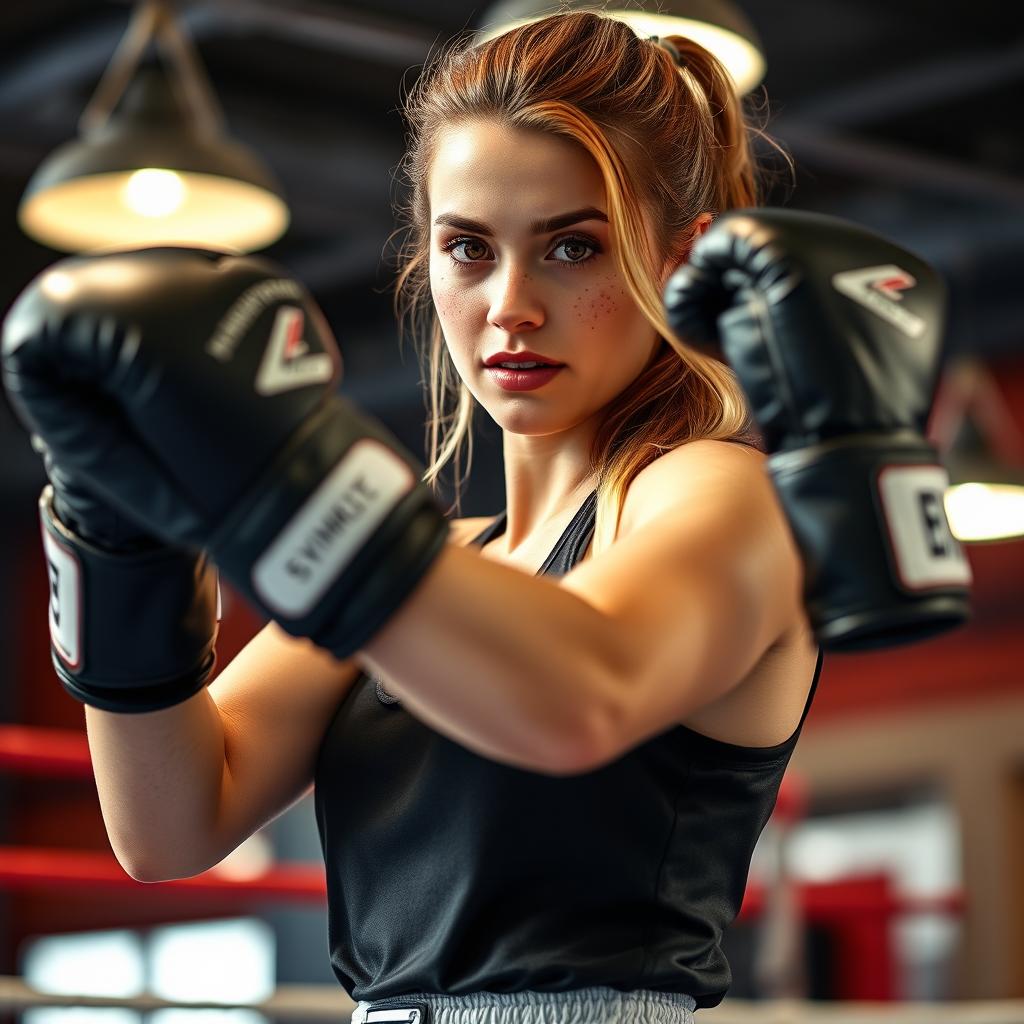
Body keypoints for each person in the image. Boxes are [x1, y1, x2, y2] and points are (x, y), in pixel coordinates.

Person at [1, 12, 832, 1024]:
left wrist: (281, 467)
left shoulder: (717, 497)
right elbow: (170, 825)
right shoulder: (429, 566)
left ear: (682, 264)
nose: (510, 304)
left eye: (573, 246)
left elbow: (584, 689)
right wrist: (118, 538)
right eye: (469, 249)